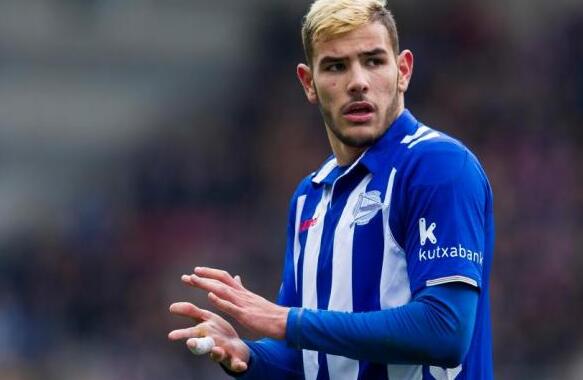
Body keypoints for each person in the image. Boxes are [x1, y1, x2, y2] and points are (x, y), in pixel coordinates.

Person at [168, 0, 494, 379]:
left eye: (373, 61)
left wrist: (288, 322)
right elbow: (303, 357)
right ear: (309, 83)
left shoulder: (437, 166)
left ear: (403, 70)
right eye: (336, 66)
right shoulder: (309, 196)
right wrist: (249, 355)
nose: (358, 81)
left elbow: (446, 330)